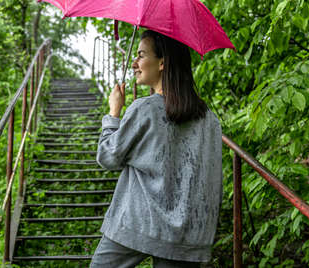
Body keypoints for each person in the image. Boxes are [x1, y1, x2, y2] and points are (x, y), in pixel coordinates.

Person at [90, 30, 223, 268]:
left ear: (162, 63)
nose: (134, 63)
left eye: (141, 55)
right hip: (187, 233)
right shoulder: (210, 120)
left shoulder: (144, 109)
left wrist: (113, 114)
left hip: (138, 222)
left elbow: (108, 157)